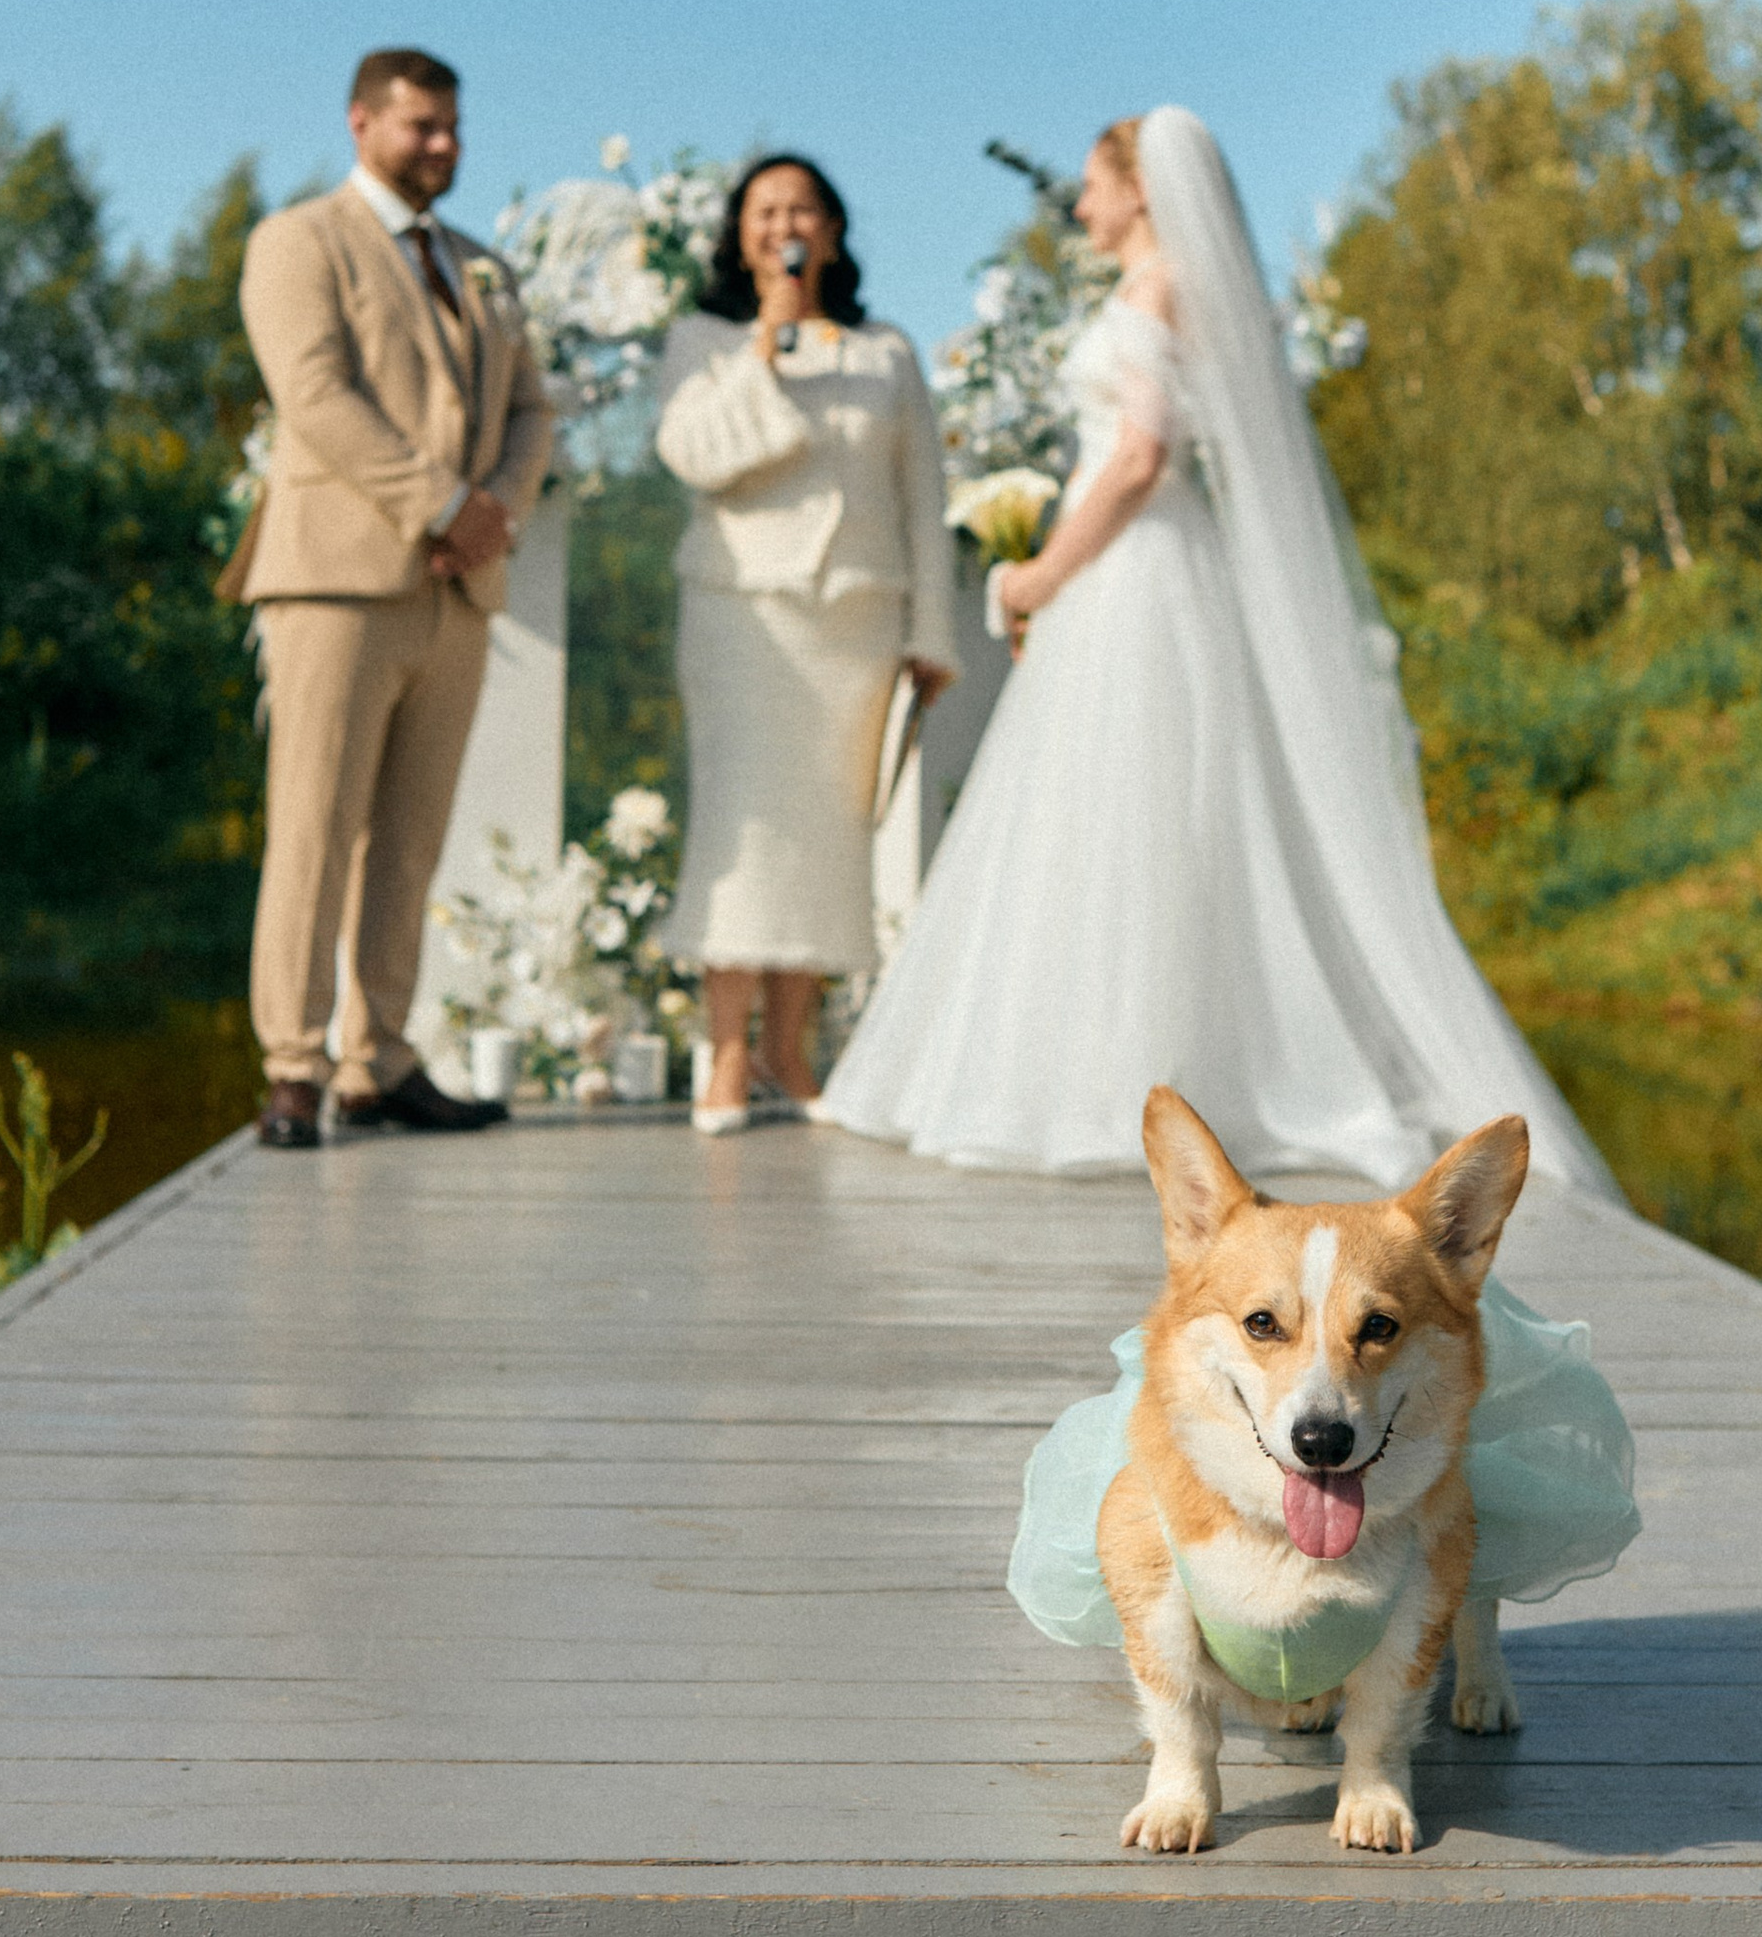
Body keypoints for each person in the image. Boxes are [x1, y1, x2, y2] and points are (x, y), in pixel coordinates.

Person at [815, 107, 1616, 1195]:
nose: (1082, 206)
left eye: (1093, 186)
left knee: (1137, 814)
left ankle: (1126, 1080)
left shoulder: (1158, 291)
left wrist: (1041, 572)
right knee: (1107, 815)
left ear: (1139, 188)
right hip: (1138, 570)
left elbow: (1140, 455)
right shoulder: (1150, 290)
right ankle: (1115, 1070)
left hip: (1137, 569)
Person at [225, 48, 557, 1148]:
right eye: (422, 126)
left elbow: (533, 410)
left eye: (454, 127)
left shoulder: (482, 267)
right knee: (314, 829)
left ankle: (382, 1060)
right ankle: (293, 1066)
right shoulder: (298, 241)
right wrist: (441, 504)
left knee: (411, 841)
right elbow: (314, 392)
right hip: (336, 581)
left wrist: (495, 509)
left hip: (457, 592)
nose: (444, 146)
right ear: (361, 121)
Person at [654, 154, 957, 1133]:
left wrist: (932, 632)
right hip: (746, 618)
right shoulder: (702, 341)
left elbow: (922, 497)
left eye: (800, 208)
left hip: (854, 624)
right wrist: (767, 345)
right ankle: (727, 1052)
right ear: (740, 236)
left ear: (830, 230)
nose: (782, 224)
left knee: (831, 837)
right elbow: (694, 456)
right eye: (763, 210)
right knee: (742, 833)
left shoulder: (885, 353)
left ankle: (792, 1050)